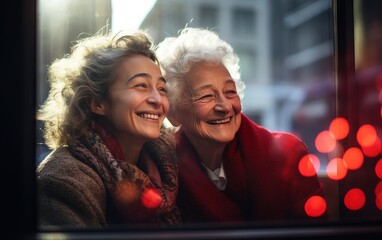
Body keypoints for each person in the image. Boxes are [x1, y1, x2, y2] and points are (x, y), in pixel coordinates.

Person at [156, 27, 328, 224]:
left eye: (230, 92)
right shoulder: (162, 166)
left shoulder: (288, 153)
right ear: (174, 113)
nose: (225, 106)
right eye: (206, 96)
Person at [36, 29, 181, 227]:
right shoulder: (64, 181)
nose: (158, 99)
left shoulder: (167, 164)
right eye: (141, 85)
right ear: (97, 103)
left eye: (162, 89)